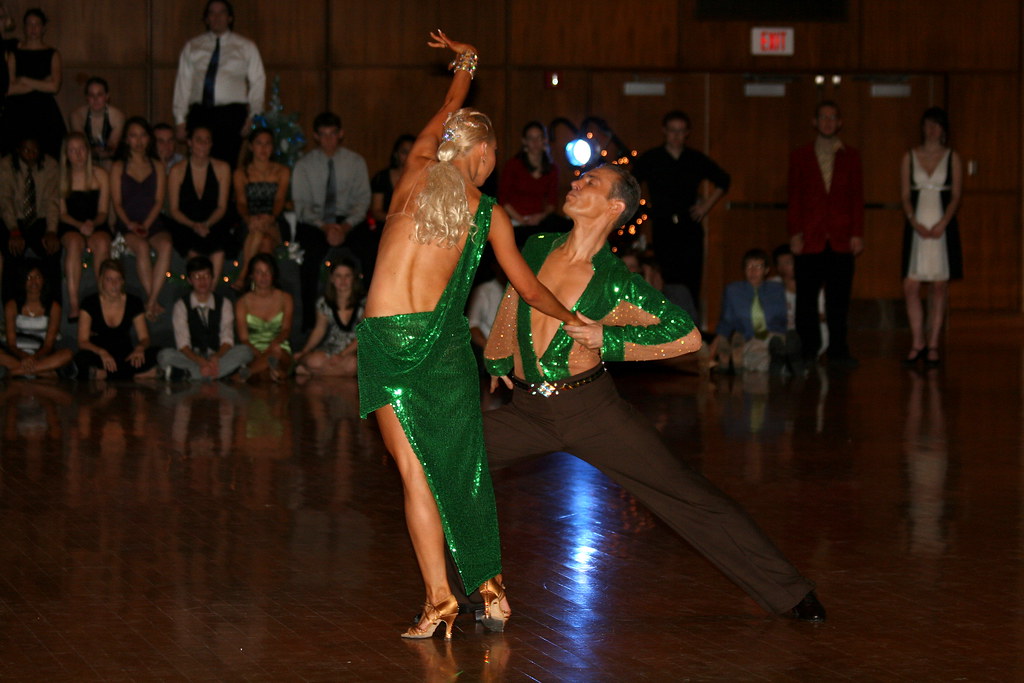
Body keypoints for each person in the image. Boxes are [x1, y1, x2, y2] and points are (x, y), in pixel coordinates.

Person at [476, 163, 825, 623]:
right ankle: (471, 592)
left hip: (590, 411)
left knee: (687, 495)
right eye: (579, 178)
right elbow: (515, 297)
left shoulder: (614, 279)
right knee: (447, 460)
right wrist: (498, 357)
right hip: (527, 410)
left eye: (591, 182)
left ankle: (791, 591)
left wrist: (608, 339)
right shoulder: (539, 245)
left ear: (614, 207)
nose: (576, 182)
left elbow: (687, 335)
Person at [355, 31, 581, 640]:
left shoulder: (414, 169)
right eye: (493, 153)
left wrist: (466, 62)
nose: (493, 163)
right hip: (441, 348)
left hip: (383, 341)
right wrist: (572, 318)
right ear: (478, 150)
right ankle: (489, 590)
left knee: (415, 474)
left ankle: (440, 600)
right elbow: (528, 290)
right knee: (462, 470)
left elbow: (448, 106)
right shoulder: (489, 213)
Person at [787, 100, 864, 369]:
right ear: (815, 121)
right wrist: (795, 233)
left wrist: (857, 233)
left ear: (840, 122)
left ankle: (838, 350)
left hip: (841, 238)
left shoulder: (851, 156)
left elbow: (857, 197)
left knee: (838, 300)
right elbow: (794, 197)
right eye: (823, 117)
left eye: (833, 117)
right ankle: (808, 349)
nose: (828, 122)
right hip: (810, 238)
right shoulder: (800, 155)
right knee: (806, 299)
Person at [632, 110, 730, 318]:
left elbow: (723, 179)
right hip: (663, 227)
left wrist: (705, 207)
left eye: (681, 131)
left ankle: (690, 328)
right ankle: (663, 325)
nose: (676, 135)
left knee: (691, 282)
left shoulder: (694, 158)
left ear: (687, 133)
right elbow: (630, 183)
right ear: (664, 131)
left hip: (689, 227)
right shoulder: (652, 158)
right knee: (664, 280)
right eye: (672, 130)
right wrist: (646, 210)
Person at [292, 111, 371, 328]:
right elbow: (301, 205)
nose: (328, 139)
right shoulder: (304, 165)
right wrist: (325, 227)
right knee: (308, 259)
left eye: (333, 134)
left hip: (348, 220)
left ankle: (371, 317)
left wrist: (345, 227)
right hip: (316, 222)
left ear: (341, 134)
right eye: (323, 134)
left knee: (370, 252)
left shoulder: (355, 162)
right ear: (316, 136)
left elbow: (362, 201)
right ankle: (309, 322)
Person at [900, 107, 962, 367]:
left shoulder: (952, 157)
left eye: (936, 125)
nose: (932, 130)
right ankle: (918, 342)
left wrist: (943, 223)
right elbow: (905, 195)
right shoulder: (909, 156)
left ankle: (933, 343)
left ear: (943, 129)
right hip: (917, 226)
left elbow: (956, 195)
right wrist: (914, 222)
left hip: (941, 225)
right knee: (911, 285)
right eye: (928, 124)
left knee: (939, 286)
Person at [172, 0, 265, 166]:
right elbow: (183, 84)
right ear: (206, 19)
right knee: (198, 165)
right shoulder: (193, 46)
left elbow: (258, 82)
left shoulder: (246, 46)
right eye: (212, 13)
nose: (217, 17)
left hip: (231, 115)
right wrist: (180, 119)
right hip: (200, 113)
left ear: (230, 18)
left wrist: (253, 116)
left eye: (222, 12)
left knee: (226, 166)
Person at [110, 116, 170, 320]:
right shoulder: (119, 166)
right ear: (126, 139)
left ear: (149, 138)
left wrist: (145, 225)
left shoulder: (157, 165)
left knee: (166, 245)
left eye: (143, 135)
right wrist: (131, 225)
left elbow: (159, 201)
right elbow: (117, 203)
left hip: (151, 221)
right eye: (133, 136)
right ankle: (153, 301)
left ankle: (151, 301)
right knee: (142, 247)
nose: (138, 141)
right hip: (127, 223)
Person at [157, 255, 252, 381]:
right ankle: (221, 373)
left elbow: (227, 339)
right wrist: (200, 361)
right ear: (190, 280)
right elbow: (183, 344)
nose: (202, 281)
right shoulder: (181, 305)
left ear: (212, 277)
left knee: (245, 351)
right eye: (197, 277)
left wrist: (216, 357)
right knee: (165, 356)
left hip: (218, 355)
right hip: (193, 356)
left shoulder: (224, 303)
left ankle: (188, 374)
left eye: (206, 276)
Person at [709, 248, 795, 373]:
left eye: (758, 266)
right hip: (750, 338)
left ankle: (787, 358)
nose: (753, 271)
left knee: (778, 344)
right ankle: (785, 365)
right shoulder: (733, 291)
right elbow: (726, 322)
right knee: (757, 354)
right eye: (749, 266)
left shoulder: (776, 289)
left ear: (766, 270)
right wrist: (715, 346)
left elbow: (782, 319)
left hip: (775, 336)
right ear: (744, 270)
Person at [74, 258, 159, 380]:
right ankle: (134, 375)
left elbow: (144, 338)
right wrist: (101, 352)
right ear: (101, 280)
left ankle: (107, 375)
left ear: (123, 281)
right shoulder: (89, 303)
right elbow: (82, 341)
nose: (114, 284)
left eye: (118, 279)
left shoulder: (134, 302)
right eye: (109, 280)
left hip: (125, 354)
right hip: (99, 354)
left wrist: (140, 348)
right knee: (81, 360)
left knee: (156, 354)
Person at [167, 126, 231, 284]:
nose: (203, 144)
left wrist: (206, 224)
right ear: (189, 142)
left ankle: (211, 293)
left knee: (218, 250)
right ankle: (197, 290)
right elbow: (174, 209)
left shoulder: (222, 168)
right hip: (186, 224)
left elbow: (222, 207)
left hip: (212, 222)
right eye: (198, 140)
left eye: (207, 140)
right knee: (194, 251)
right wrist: (193, 225)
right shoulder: (177, 170)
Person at [58, 132, 111, 321]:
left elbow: (103, 211)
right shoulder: (62, 177)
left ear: (88, 151)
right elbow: (62, 214)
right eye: (72, 151)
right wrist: (80, 226)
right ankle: (74, 304)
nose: (78, 154)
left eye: (81, 149)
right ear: (66, 154)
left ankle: (103, 298)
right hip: (71, 224)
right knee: (74, 244)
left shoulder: (100, 174)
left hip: (95, 223)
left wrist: (92, 224)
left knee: (102, 243)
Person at [0, 8, 65, 160]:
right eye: (29, 24)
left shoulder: (53, 53)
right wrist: (42, 83)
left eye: (37, 24)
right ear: (24, 27)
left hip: (44, 110)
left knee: (49, 153)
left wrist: (24, 80)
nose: (33, 28)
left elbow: (54, 87)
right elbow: (9, 88)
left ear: (44, 28)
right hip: (17, 110)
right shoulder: (14, 52)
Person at [0, 136, 60, 299]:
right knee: (11, 252)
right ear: (18, 150)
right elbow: (5, 199)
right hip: (15, 219)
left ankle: (53, 305)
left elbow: (52, 200)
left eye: (35, 150)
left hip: (40, 219)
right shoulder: (6, 165)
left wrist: (52, 230)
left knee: (53, 251)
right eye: (26, 150)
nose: (31, 154)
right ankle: (10, 305)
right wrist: (13, 229)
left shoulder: (50, 164)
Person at [231, 127, 289, 289]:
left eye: (268, 144)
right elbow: (241, 203)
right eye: (259, 143)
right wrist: (250, 219)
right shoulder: (241, 173)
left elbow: (280, 200)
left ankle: (243, 275)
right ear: (251, 146)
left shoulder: (282, 171)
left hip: (275, 220)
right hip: (249, 222)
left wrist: (270, 218)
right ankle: (267, 289)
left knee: (262, 233)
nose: (263, 148)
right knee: (264, 241)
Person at [0, 260, 72, 378]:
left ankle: (16, 371)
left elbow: (48, 344)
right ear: (22, 281)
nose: (33, 282)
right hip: (17, 353)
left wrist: (34, 357)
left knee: (67, 354)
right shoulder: (12, 305)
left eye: (37, 277)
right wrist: (25, 356)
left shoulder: (54, 307)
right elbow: (11, 343)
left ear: (43, 280)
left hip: (41, 353)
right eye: (29, 278)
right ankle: (43, 372)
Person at [294, 259, 362, 377]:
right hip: (330, 348)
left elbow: (364, 336)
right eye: (338, 276)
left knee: (353, 365)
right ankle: (329, 373)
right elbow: (319, 330)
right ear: (331, 279)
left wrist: (342, 355)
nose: (343, 280)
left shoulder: (364, 303)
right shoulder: (324, 303)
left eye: (347, 276)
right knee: (313, 361)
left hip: (352, 351)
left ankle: (313, 373)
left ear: (354, 278)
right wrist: (305, 351)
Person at [497, 121, 560, 246]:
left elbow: (552, 202)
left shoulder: (552, 169)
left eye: (539, 137)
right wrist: (521, 220)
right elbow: (503, 199)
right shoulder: (513, 165)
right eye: (531, 138)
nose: (535, 142)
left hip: (539, 222)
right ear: (524, 141)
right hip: (515, 222)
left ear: (545, 140)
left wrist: (540, 216)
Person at [234, 252, 292, 381]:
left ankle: (246, 374)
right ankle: (276, 373)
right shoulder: (242, 303)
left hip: (279, 346)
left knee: (277, 353)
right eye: (259, 272)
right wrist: (261, 355)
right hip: (254, 350)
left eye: (267, 272)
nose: (264, 276)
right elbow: (244, 339)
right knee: (267, 372)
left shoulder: (285, 298)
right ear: (251, 275)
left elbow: (286, 330)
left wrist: (273, 345)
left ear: (273, 274)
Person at [68, 76, 124, 168]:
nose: (95, 99)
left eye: (99, 95)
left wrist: (101, 151)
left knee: (110, 163)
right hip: (85, 160)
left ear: (107, 96)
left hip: (110, 160)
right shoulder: (77, 116)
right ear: (87, 98)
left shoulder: (117, 116)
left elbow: (113, 148)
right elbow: (80, 146)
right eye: (91, 95)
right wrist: (94, 152)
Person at [370, 133, 415, 225]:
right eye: (404, 152)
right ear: (396, 154)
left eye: (411, 152)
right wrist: (396, 219)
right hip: (385, 226)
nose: (408, 156)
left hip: (414, 226)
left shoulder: (423, 177)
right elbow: (376, 211)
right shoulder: (382, 177)